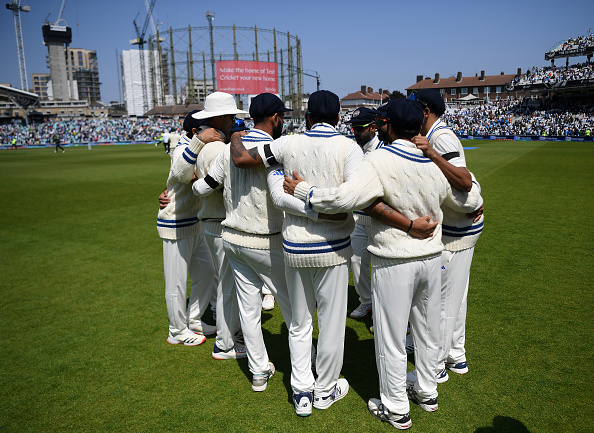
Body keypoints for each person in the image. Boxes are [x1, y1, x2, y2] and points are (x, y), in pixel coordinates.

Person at [284, 99, 483, 429]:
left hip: (395, 260)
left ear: (388, 125)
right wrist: (472, 202)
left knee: (391, 338)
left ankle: (395, 408)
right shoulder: (433, 158)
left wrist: (304, 189)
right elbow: (471, 197)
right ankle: (427, 392)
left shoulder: (379, 159)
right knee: (427, 329)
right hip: (432, 257)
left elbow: (346, 199)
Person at [193, 93, 300, 392]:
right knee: (292, 308)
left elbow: (203, 188)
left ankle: (258, 372)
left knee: (249, 311)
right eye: (283, 117)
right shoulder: (273, 149)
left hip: (234, 240)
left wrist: (190, 178)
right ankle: (307, 364)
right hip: (266, 240)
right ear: (276, 118)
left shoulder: (230, 148)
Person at [410, 89, 484, 382]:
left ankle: (437, 365)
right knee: (456, 298)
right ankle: (456, 355)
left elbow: (463, 180)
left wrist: (430, 153)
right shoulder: (438, 135)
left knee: (441, 301)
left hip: (456, 232)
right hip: (460, 228)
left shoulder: (440, 139)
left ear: (425, 111)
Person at [170, 92, 249, 359]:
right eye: (230, 116)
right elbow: (181, 174)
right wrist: (199, 141)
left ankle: (206, 326)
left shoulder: (216, 140)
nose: (232, 121)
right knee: (194, 282)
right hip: (198, 220)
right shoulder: (205, 142)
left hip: (205, 219)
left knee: (214, 278)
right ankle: (219, 339)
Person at [156, 113, 221, 346]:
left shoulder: (195, 148)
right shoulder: (184, 147)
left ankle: (193, 319)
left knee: (206, 273)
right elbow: (181, 175)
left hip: (194, 223)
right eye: (207, 128)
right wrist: (200, 141)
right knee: (175, 282)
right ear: (196, 132)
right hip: (175, 223)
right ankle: (176, 331)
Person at [345, 107, 384, 320]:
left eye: (359, 128)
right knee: (357, 262)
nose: (355, 132)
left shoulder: (382, 148)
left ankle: (381, 305)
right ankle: (366, 302)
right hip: (359, 216)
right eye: (353, 128)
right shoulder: (356, 149)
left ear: (373, 127)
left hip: (379, 217)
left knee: (380, 267)